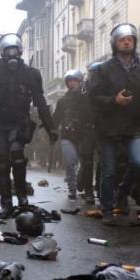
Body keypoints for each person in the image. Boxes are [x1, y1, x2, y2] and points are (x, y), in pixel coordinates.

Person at [0, 33, 57, 217]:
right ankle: (6, 203)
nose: (11, 54)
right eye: (8, 51)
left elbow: (40, 101)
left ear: (20, 51)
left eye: (14, 50)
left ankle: (23, 199)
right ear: (2, 52)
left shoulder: (31, 74)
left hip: (20, 124)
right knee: (1, 163)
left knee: (18, 160)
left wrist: (51, 126)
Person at [88, 24, 140, 224]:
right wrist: (114, 100)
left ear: (134, 42)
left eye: (130, 39)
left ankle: (123, 192)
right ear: (115, 43)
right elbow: (93, 97)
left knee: (139, 163)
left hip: (134, 127)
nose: (127, 42)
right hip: (108, 127)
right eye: (122, 39)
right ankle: (107, 208)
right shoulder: (104, 69)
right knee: (109, 170)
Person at [52, 69, 85, 200]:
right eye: (70, 81)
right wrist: (51, 130)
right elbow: (56, 118)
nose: (72, 83)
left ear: (80, 81)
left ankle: (82, 183)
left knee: (85, 163)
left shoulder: (86, 98)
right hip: (67, 135)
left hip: (84, 134)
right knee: (70, 161)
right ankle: (72, 188)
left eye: (75, 81)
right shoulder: (62, 101)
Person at [77, 63, 100, 205]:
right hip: (86, 130)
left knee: (104, 161)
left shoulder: (108, 87)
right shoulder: (82, 90)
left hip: (103, 129)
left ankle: (100, 188)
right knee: (88, 161)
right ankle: (88, 191)